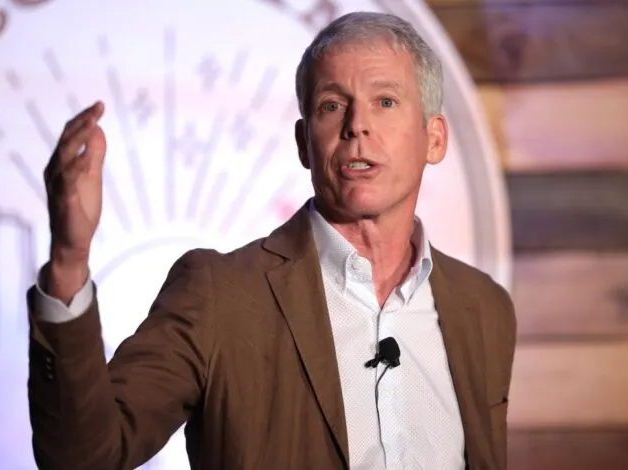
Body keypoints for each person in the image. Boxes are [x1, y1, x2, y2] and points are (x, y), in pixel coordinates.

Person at [27, 11, 516, 470]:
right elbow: (83, 456)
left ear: (434, 139)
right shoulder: (218, 295)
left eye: (385, 102)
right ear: (305, 143)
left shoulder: (483, 308)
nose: (356, 126)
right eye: (332, 105)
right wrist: (69, 261)